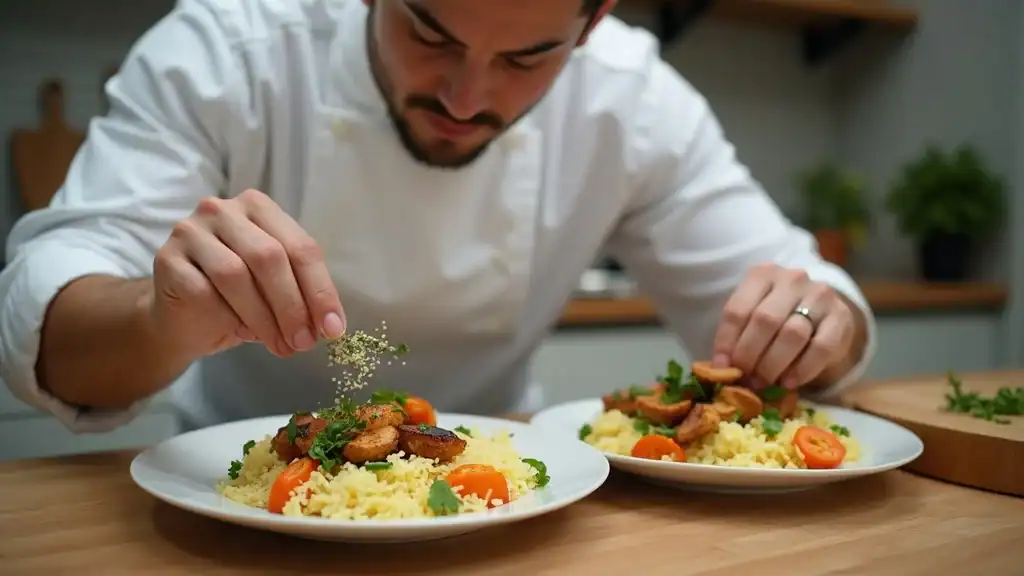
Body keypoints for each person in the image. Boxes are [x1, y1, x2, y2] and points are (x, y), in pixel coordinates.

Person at [0, 0, 876, 434]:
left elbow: (800, 289)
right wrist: (161, 319)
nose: (466, 97)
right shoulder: (231, 49)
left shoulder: (633, 100)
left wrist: (814, 323)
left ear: (594, 21)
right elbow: (49, 323)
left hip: (510, 499)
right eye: (430, 34)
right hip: (238, 503)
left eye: (528, 57)